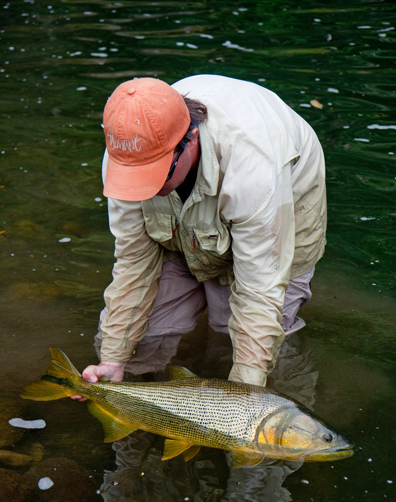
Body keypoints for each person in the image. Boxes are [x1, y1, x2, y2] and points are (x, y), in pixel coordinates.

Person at [81, 74, 326, 389]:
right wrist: (113, 359)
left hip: (279, 200)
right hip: (176, 228)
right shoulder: (127, 151)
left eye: (157, 174)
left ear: (191, 138)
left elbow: (260, 288)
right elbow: (133, 263)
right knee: (135, 344)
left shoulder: (254, 166)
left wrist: (245, 393)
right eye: (136, 177)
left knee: (243, 344)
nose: (146, 188)